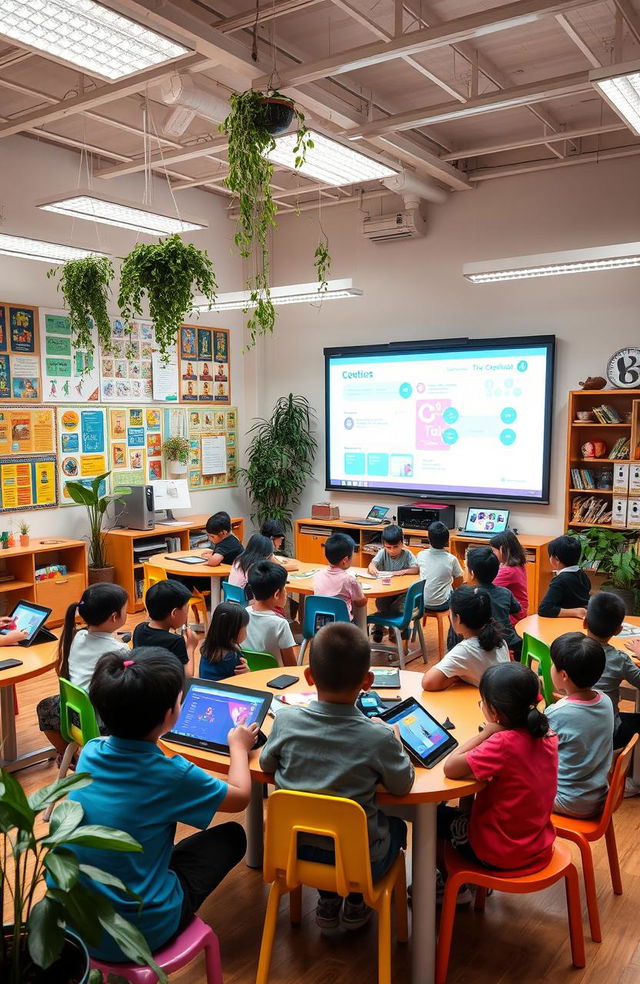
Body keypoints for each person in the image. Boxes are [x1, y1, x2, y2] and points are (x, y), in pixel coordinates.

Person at [67, 647, 257, 961]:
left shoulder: (91, 750)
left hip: (78, 922)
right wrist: (238, 745)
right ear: (170, 715)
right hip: (141, 930)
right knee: (233, 836)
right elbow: (240, 796)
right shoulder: (172, 775)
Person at [259, 622, 414, 930]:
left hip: (293, 851)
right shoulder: (379, 737)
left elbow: (266, 765)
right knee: (395, 826)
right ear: (368, 681)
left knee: (323, 825)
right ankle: (356, 901)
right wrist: (395, 741)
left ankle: (328, 897)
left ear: (309, 676)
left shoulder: (286, 721)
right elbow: (402, 785)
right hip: (360, 864)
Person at [441, 662, 558, 887]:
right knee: (467, 802)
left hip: (501, 854)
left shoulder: (503, 743)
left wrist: (487, 731)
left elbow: (451, 767)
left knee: (436, 818)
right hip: (536, 845)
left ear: (493, 711)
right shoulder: (548, 735)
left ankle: (448, 886)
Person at [36, 584, 129, 755]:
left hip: (71, 712)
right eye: (125, 609)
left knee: (44, 706)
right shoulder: (119, 651)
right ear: (114, 617)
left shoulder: (77, 636)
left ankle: (67, 755)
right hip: (99, 722)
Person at [547, 632, 613, 818]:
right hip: (599, 796)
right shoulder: (605, 701)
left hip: (568, 801)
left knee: (507, 783)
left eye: (553, 664)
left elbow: (532, 747)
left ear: (564, 675)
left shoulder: (557, 713)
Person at [422, 587, 510, 690]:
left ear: (458, 619)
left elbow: (428, 682)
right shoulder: (500, 641)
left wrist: (456, 677)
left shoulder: (465, 651)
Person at [586, 592, 640, 750]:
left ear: (585, 622)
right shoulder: (619, 659)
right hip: (609, 734)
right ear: (619, 630)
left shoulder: (572, 650)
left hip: (577, 726)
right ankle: (633, 770)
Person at [463, 546, 521, 657]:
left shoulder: (469, 596)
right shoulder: (505, 592)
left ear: (472, 573)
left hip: (488, 647)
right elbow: (518, 612)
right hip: (512, 642)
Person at [367, 525, 419, 641]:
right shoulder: (382, 553)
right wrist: (372, 568)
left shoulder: (407, 554)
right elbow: (372, 565)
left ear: (402, 542)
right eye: (388, 547)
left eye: (396, 546)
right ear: (383, 545)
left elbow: (416, 569)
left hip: (402, 593)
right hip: (387, 591)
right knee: (381, 603)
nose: (392, 550)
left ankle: (394, 629)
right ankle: (381, 628)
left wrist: (401, 572)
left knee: (398, 607)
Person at [132, 580, 197, 669]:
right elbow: (187, 676)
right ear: (174, 613)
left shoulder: (139, 629)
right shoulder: (176, 641)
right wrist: (190, 647)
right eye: (186, 611)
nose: (186, 615)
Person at [244, 561, 297, 665]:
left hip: (248, 674)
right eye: (284, 588)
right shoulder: (280, 624)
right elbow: (291, 665)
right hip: (275, 677)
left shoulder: (244, 613)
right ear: (277, 594)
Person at [313, 533, 367, 621]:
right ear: (345, 560)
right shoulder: (349, 580)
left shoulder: (317, 575)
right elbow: (360, 602)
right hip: (342, 627)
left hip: (320, 625)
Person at [538, 535, 591, 618]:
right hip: (580, 623)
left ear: (556, 559)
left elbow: (544, 609)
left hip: (564, 623)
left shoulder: (559, 581)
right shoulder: (582, 574)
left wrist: (576, 612)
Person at [417, 521, 464, 613]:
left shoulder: (420, 555)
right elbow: (459, 580)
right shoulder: (451, 559)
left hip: (422, 602)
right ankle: (453, 625)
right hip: (443, 604)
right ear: (447, 540)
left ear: (428, 539)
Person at [199, 601, 250, 681]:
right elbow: (244, 682)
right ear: (233, 631)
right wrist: (248, 673)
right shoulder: (232, 657)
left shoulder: (206, 646)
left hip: (205, 690)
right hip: (223, 692)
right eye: (245, 627)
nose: (246, 631)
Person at [489, 530, 528, 625]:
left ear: (502, 550)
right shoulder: (517, 565)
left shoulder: (507, 571)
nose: (492, 554)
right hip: (520, 611)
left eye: (493, 551)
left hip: (512, 616)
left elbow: (487, 586)